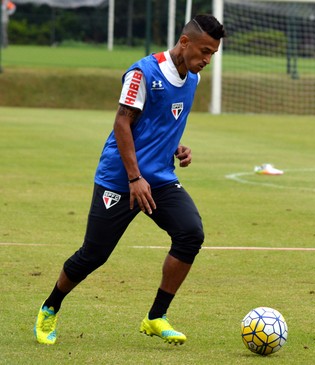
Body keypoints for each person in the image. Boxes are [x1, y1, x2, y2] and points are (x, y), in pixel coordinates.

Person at [34, 14, 225, 346]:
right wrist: (134, 177)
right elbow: (122, 123)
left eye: (212, 54)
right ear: (184, 42)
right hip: (121, 178)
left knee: (190, 233)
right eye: (204, 51)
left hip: (160, 179)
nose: (207, 60)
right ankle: (50, 307)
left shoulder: (191, 78)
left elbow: (161, 122)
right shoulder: (143, 73)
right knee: (93, 255)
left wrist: (176, 146)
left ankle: (156, 317)